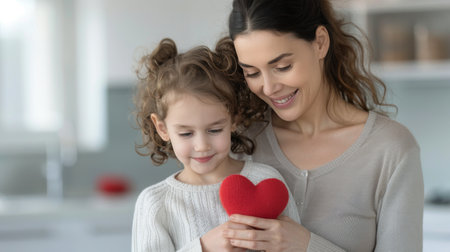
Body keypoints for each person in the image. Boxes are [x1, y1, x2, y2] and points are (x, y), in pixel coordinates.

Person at [220, 0, 424, 251]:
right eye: (252, 73)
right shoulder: (240, 143)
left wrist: (307, 246)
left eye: (282, 67)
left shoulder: (391, 149)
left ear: (320, 43)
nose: (269, 87)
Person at [131, 37, 301, 251]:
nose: (202, 145)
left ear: (234, 118)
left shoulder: (265, 181)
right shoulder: (156, 204)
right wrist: (203, 247)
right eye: (186, 133)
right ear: (162, 128)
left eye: (214, 130)